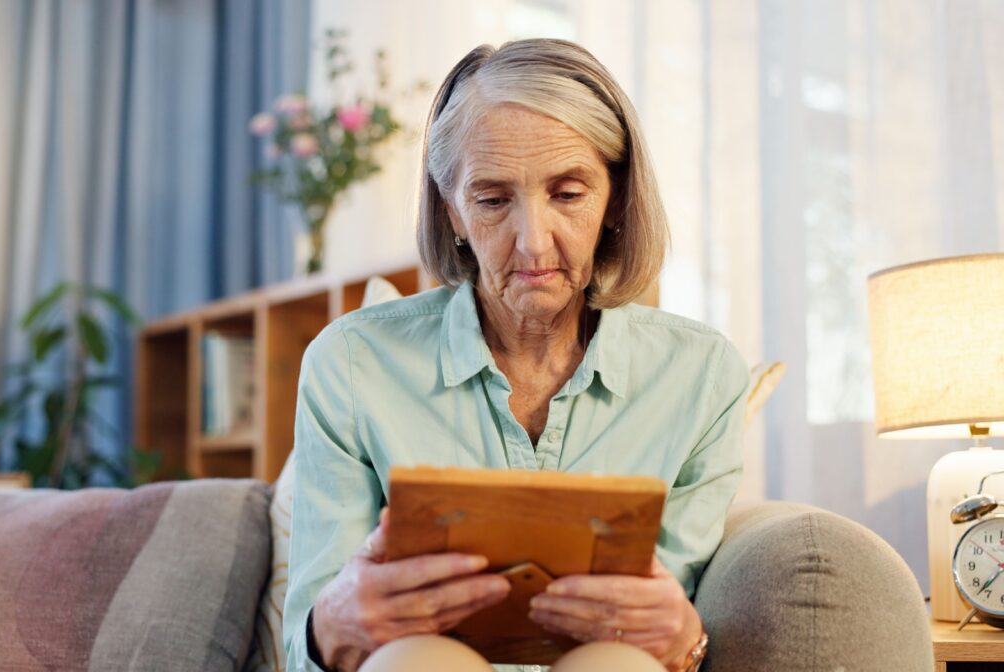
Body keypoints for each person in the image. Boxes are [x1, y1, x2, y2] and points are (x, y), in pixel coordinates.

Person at [284, 38, 749, 672]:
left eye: (568, 193)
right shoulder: (351, 364)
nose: (533, 243)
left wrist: (681, 638)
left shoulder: (700, 374)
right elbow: (306, 650)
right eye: (493, 200)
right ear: (452, 211)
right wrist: (335, 623)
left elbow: (664, 635)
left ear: (614, 197)